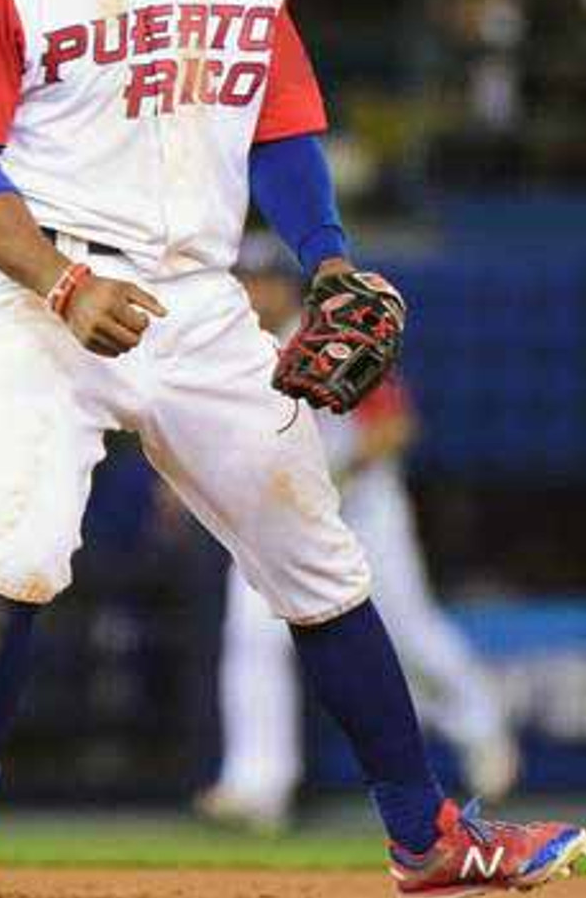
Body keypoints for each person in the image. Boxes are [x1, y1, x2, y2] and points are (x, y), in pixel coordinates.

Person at [0, 0, 586, 898]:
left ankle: (427, 838)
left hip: (202, 299)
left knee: (320, 561)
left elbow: (284, 125)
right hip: (43, 294)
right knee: (22, 546)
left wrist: (325, 257)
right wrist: (58, 277)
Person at [195, 234, 520, 835]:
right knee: (252, 638)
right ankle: (256, 785)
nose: (252, 289)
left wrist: (328, 475)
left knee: (409, 630)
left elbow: (393, 427)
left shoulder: (328, 336)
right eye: (243, 279)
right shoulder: (225, 350)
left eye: (263, 279)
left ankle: (482, 732)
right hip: (273, 515)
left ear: (286, 287)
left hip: (362, 509)